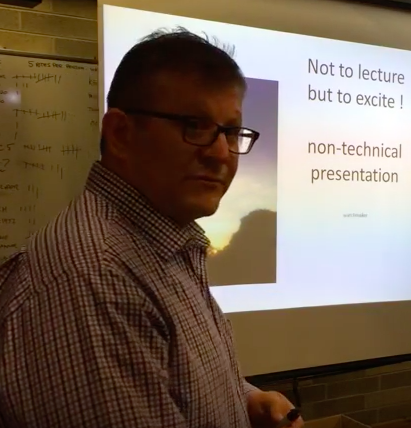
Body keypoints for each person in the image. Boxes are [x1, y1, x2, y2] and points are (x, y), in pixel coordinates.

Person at [0, 29, 303, 428]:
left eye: (231, 132)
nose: (220, 153)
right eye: (195, 125)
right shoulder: (98, 277)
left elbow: (176, 379)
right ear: (121, 134)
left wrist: (245, 399)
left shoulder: (165, 244)